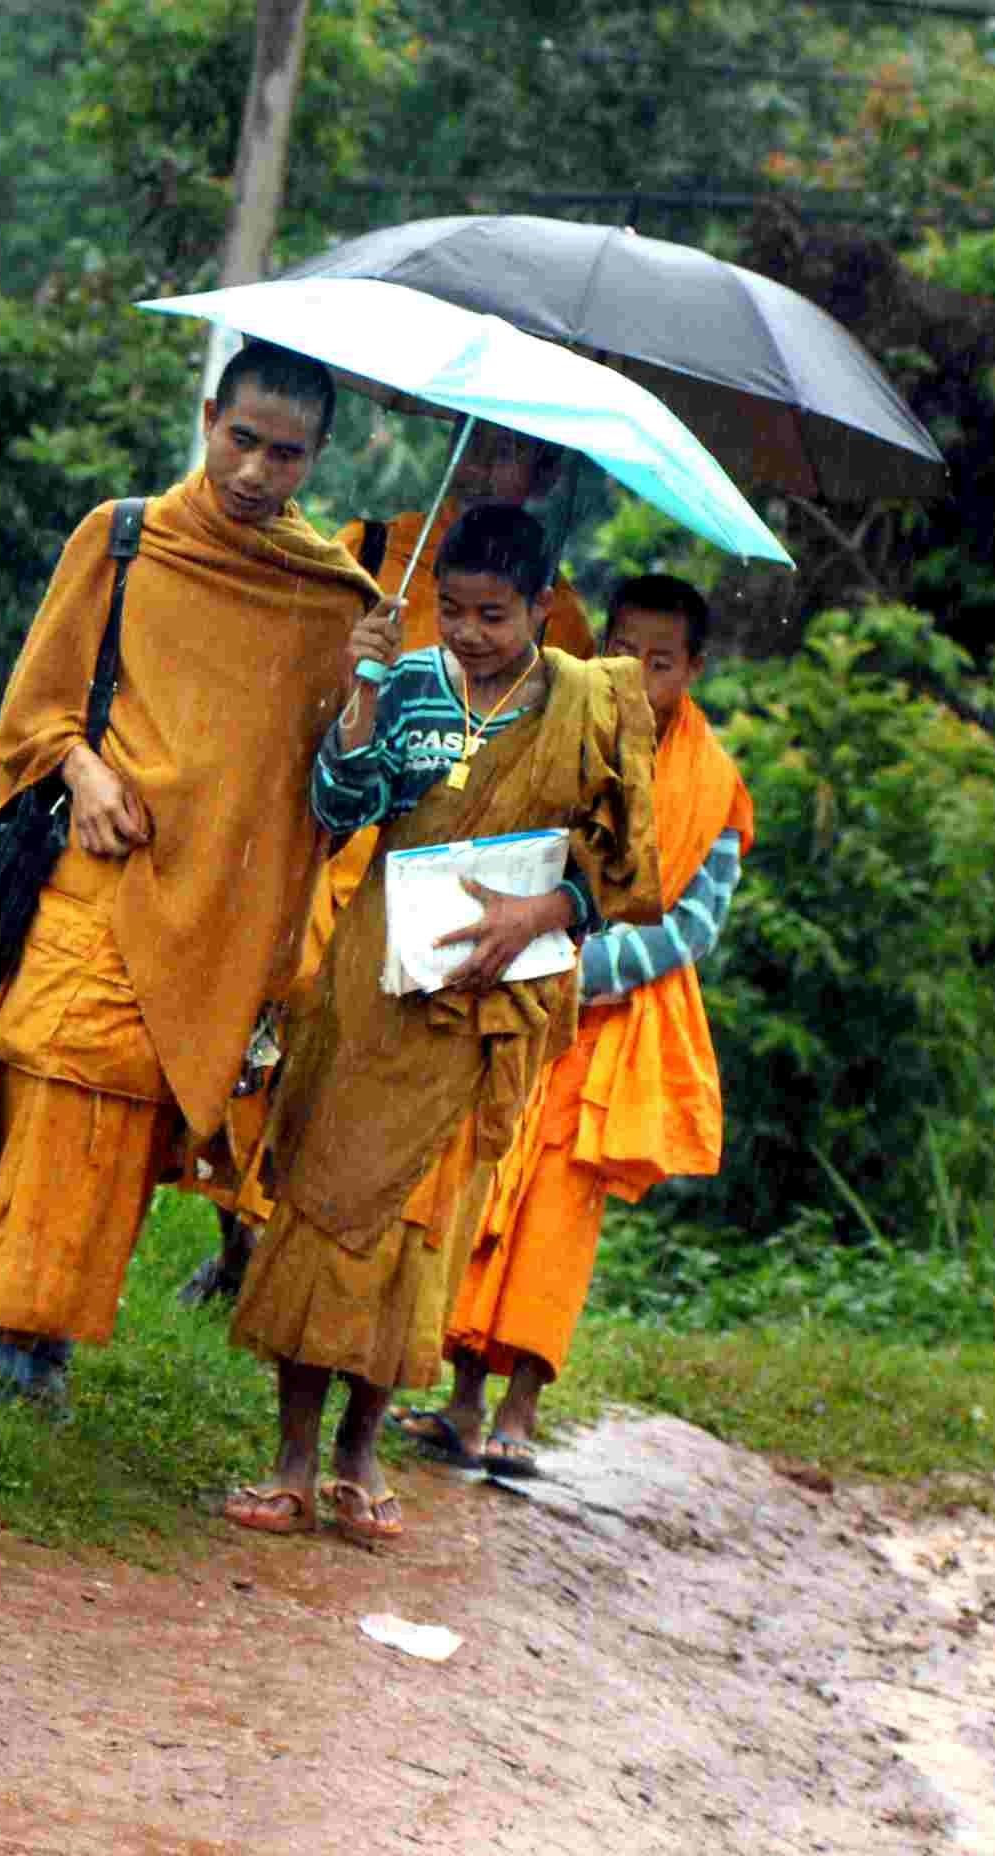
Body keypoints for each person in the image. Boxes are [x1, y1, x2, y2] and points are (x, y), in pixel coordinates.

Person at [0, 341, 380, 1416]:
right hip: (101, 871)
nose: (258, 473)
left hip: (220, 909)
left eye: (288, 454)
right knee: (52, 1071)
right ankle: (11, 1349)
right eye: (243, 441)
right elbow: (37, 703)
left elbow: (343, 789)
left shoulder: (333, 598)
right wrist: (81, 769)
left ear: (317, 459)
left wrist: (367, 684)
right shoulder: (125, 537)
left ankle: (49, 1349)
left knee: (129, 1118)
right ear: (210, 415)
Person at [223, 505, 663, 1547]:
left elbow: (624, 864)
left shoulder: (587, 703)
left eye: (495, 615)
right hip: (377, 984)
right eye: (455, 609)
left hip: (493, 1001)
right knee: (330, 1207)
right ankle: (290, 1459)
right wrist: (365, 689)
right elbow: (339, 803)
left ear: (544, 604)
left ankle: (359, 1457)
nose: (468, 632)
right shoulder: (412, 676)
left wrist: (545, 911)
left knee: (420, 1232)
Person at [180, 421, 595, 1306]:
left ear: (545, 468)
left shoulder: (562, 620)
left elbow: (566, 768)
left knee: (366, 1086)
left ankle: (306, 1274)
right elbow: (292, 675)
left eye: (510, 453)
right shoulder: (375, 549)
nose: (484, 467)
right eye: (472, 443)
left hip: (446, 883)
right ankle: (236, 1241)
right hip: (329, 847)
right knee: (268, 1041)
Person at [407, 574, 753, 1476]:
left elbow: (693, 924)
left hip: (609, 1025)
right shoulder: (562, 730)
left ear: (694, 670)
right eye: (624, 651)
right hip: (517, 998)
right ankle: (459, 1403)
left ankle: (519, 1412)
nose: (637, 675)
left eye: (661, 662)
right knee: (486, 1186)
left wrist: (576, 966)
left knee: (555, 1220)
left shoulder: (711, 784)